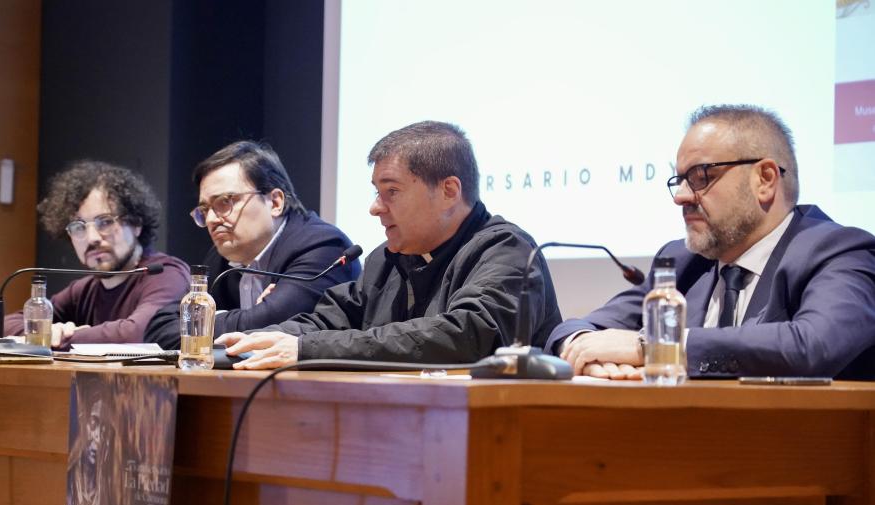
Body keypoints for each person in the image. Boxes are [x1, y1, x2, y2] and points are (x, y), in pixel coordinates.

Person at [546, 104, 875, 380]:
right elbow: (578, 327)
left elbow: (812, 346)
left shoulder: (840, 251)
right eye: (679, 180)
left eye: (701, 177)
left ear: (765, 179)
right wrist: (583, 346)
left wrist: (655, 348)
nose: (681, 197)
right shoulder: (682, 262)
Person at [215, 120, 561, 369]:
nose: (375, 207)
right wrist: (248, 345)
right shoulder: (386, 258)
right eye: (376, 192)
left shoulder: (508, 250)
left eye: (391, 191)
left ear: (449, 192)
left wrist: (307, 348)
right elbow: (327, 322)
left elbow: (465, 335)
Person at [143, 141, 360, 349]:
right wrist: (247, 317)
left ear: (275, 202)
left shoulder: (324, 247)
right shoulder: (221, 257)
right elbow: (159, 329)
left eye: (225, 202)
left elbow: (273, 326)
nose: (211, 220)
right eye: (205, 210)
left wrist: (208, 320)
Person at [0, 161, 190, 348]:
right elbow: (0, 328)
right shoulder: (84, 290)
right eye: (78, 227)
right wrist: (48, 332)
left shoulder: (165, 275)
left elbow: (138, 333)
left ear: (136, 224)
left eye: (105, 222)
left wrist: (57, 337)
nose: (91, 238)